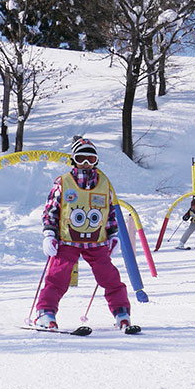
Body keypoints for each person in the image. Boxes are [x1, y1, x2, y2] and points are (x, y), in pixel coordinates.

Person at [35, 136, 134, 330]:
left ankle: (121, 313)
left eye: (91, 159)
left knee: (109, 277)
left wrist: (113, 235)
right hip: (67, 240)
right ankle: (45, 313)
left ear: (96, 161)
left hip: (96, 242)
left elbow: (111, 212)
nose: (86, 164)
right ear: (73, 160)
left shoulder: (104, 183)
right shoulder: (63, 182)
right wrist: (49, 233)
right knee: (57, 277)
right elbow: (51, 211)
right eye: (81, 159)